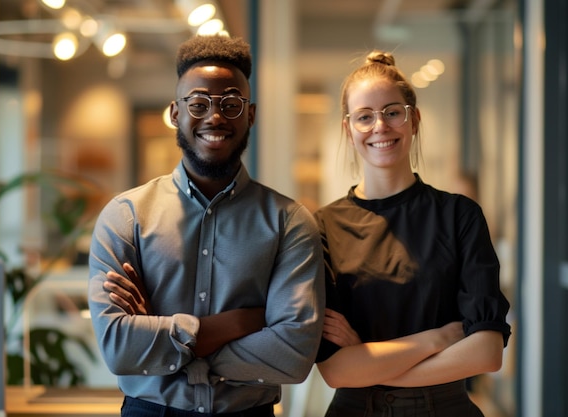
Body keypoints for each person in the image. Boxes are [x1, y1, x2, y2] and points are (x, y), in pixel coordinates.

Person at [87, 34, 325, 417]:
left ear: (250, 114)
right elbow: (119, 348)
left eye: (230, 104)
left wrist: (166, 339)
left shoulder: (289, 222)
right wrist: (241, 322)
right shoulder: (125, 215)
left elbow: (294, 355)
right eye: (199, 103)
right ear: (175, 113)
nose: (214, 117)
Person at [313, 50, 512, 416]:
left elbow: (486, 352)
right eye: (364, 117)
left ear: (414, 119)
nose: (380, 127)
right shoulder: (322, 228)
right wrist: (440, 338)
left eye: (392, 112)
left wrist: (369, 361)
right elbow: (336, 370)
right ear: (348, 129)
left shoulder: (459, 216)